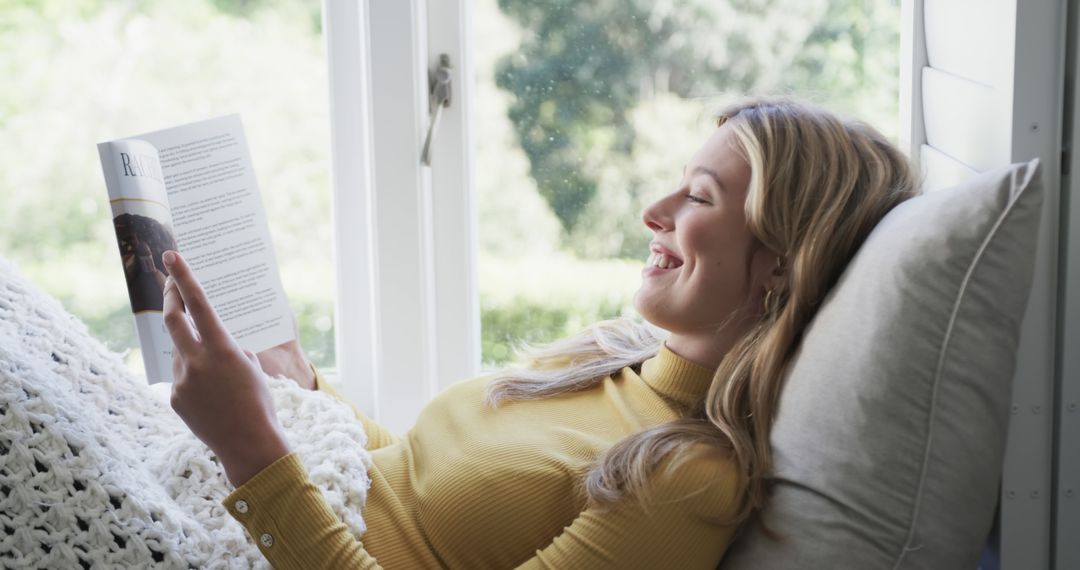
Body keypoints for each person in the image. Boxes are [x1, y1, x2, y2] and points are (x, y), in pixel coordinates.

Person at [161, 96, 918, 569]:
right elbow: (415, 486)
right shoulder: (613, 353)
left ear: (780, 264)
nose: (654, 211)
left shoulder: (688, 480)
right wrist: (303, 385)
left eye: (700, 198)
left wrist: (251, 450)